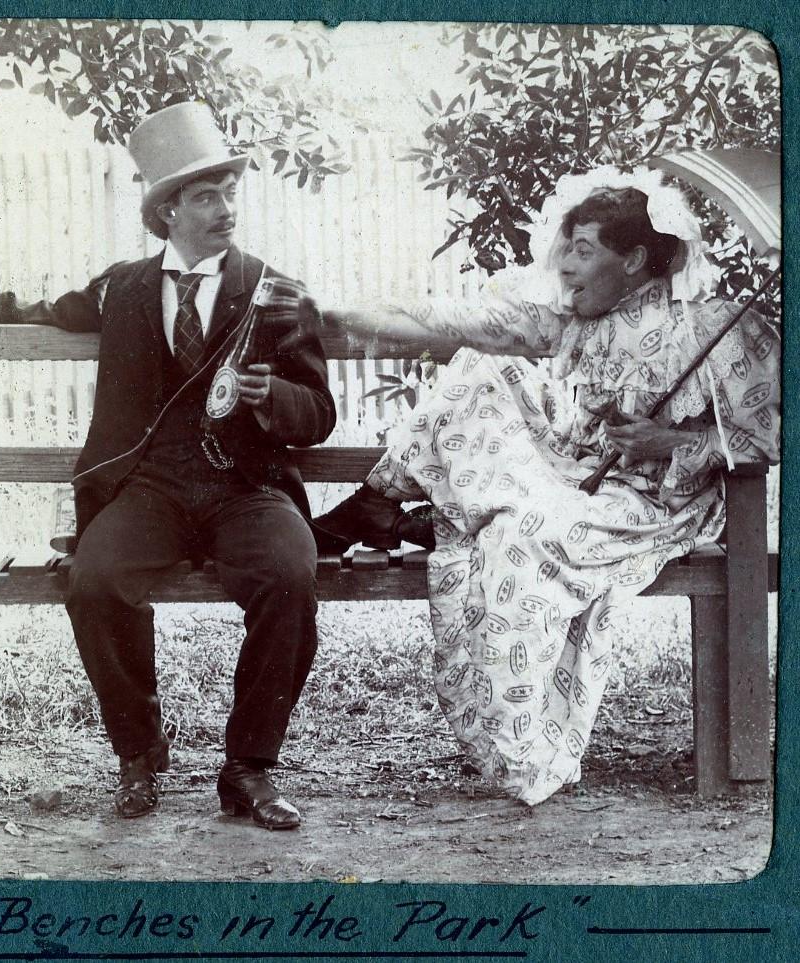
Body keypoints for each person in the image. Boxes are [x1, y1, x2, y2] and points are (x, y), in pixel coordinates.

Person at [0, 103, 336, 829]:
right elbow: (29, 307)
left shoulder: (275, 291)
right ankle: (141, 754)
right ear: (168, 210)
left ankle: (248, 768)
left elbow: (319, 410)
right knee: (95, 578)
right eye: (206, 195)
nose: (225, 209)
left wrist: (273, 395)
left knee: (290, 573)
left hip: (244, 487)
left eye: (229, 192)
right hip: (149, 485)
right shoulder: (122, 288)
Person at [306, 168, 780, 804]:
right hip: (574, 471)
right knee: (484, 367)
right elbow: (456, 321)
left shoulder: (716, 331)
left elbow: (769, 439)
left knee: (515, 536)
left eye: (584, 252)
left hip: (651, 505)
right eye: (568, 248)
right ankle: (378, 503)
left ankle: (524, 751)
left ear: (636, 259)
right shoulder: (572, 321)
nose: (566, 267)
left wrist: (671, 443)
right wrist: (333, 314)